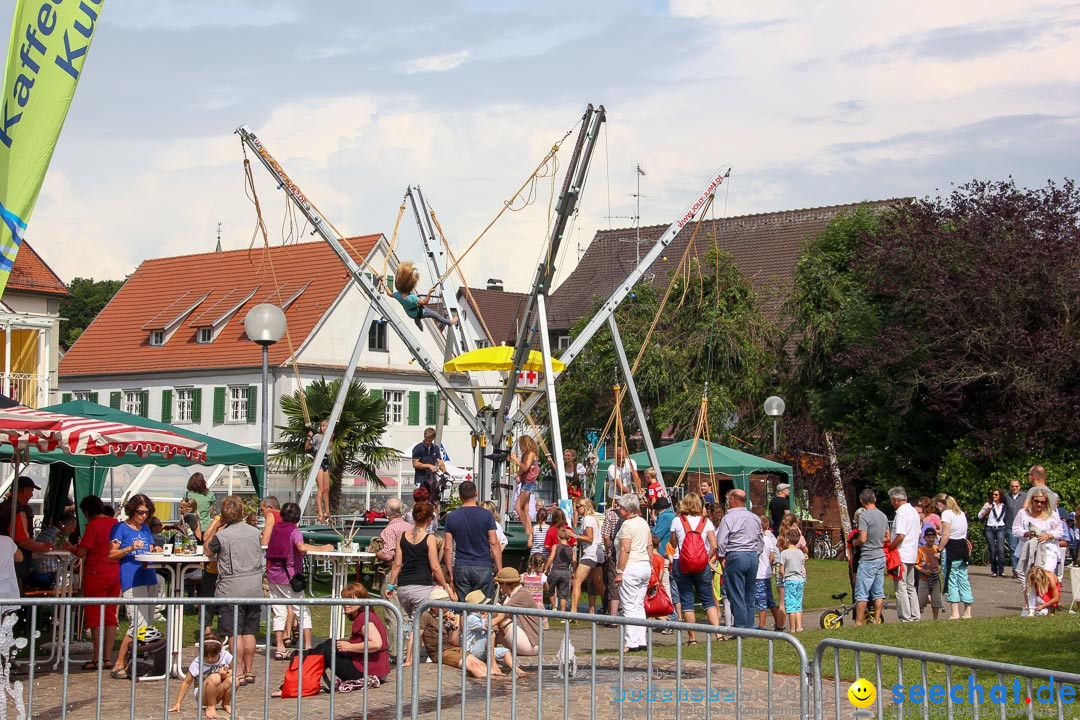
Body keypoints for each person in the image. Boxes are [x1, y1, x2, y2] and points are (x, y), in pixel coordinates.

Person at [385, 500, 454, 666]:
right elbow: (435, 567)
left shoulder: (402, 537)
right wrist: (446, 586)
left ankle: (410, 656)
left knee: (413, 621)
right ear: (430, 519)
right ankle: (409, 659)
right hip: (421, 587)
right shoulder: (430, 539)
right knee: (417, 623)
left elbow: (397, 564)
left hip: (403, 588)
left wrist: (390, 586)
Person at [204, 496, 263, 687]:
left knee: (234, 632)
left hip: (232, 587)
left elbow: (207, 551)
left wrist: (214, 526)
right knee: (249, 631)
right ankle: (249, 670)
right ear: (242, 513)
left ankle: (237, 671)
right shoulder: (255, 532)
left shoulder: (223, 536)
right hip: (253, 587)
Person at [266, 502, 333, 659]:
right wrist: (322, 548)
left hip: (272, 575)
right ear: (298, 517)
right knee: (302, 611)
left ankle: (280, 647)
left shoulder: (276, 529)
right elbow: (301, 547)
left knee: (279, 612)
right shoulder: (294, 531)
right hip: (289, 576)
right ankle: (308, 646)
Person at [108, 494, 160, 679]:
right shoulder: (120, 528)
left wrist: (156, 550)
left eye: (146, 512)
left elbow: (150, 549)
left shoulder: (146, 529)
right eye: (140, 512)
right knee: (137, 624)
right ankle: (119, 663)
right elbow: (111, 554)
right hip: (132, 578)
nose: (143, 516)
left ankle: (136, 662)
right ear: (132, 510)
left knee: (147, 624)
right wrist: (129, 548)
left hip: (149, 577)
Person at [310, 583, 390, 691]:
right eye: (344, 600)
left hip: (366, 671)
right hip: (375, 670)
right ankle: (307, 680)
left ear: (362, 602)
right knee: (330, 643)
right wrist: (349, 641)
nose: (345, 604)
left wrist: (349, 647)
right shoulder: (368, 615)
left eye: (350, 600)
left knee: (324, 649)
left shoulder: (363, 618)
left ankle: (303, 683)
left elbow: (376, 644)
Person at [71, 496, 119, 670]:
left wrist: (71, 548)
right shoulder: (115, 523)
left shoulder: (92, 526)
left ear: (86, 512)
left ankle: (97, 657)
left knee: (94, 616)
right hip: (114, 571)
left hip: (96, 572)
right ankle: (108, 657)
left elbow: (81, 552)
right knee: (110, 616)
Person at [672, 492, 722, 641]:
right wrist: (706, 558)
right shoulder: (706, 522)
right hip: (701, 563)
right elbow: (714, 545)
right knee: (708, 598)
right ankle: (718, 633)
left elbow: (673, 543)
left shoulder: (677, 521)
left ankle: (692, 638)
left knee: (686, 598)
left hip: (681, 561)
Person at [444, 481, 501, 601]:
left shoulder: (451, 517)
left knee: (464, 607)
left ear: (460, 496)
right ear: (476, 493)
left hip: (461, 566)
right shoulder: (487, 515)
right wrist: (500, 569)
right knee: (484, 607)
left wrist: (450, 571)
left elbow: (448, 547)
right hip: (483, 565)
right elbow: (494, 543)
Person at [716, 489, 762, 629]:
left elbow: (721, 541)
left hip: (736, 554)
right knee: (749, 592)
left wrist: (722, 556)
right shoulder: (755, 517)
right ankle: (749, 625)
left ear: (732, 500)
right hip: (752, 555)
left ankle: (741, 627)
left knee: (736, 593)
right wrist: (756, 553)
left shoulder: (728, 518)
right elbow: (760, 540)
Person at [418, 588, 489, 677]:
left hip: (451, 649)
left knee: (478, 662)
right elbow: (416, 637)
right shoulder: (426, 616)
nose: (447, 607)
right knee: (472, 665)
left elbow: (454, 642)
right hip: (440, 653)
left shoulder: (445, 617)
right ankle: (487, 685)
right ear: (434, 606)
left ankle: (492, 681)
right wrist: (410, 660)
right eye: (444, 605)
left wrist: (455, 625)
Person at [1011, 486, 1062, 610]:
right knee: (1028, 577)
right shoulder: (1023, 513)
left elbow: (1059, 532)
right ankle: (1030, 605)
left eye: (1042, 502)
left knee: (1041, 576)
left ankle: (1044, 604)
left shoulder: (1052, 515)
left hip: (1048, 550)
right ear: (1032, 500)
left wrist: (1048, 535)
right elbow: (1015, 530)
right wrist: (1026, 533)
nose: (1039, 504)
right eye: (1037, 501)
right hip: (1028, 549)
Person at [613, 494, 652, 652]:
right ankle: (641, 639)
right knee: (639, 604)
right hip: (644, 565)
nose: (619, 509)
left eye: (621, 507)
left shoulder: (627, 525)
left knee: (629, 605)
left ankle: (631, 642)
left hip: (631, 566)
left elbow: (625, 548)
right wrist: (651, 564)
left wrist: (620, 571)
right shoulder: (644, 523)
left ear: (628, 510)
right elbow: (649, 544)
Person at [169, 632, 233, 718]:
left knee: (234, 680)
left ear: (220, 650)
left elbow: (234, 671)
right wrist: (178, 703)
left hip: (218, 692)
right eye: (206, 656)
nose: (209, 659)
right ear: (200, 651)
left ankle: (226, 703)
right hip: (202, 695)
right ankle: (210, 706)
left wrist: (225, 675)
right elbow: (186, 683)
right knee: (215, 677)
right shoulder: (197, 663)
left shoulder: (226, 656)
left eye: (213, 656)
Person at [852, 489, 889, 626]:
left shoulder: (864, 517)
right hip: (880, 556)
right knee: (878, 591)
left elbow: (862, 539)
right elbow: (888, 537)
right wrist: (877, 540)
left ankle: (859, 622)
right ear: (875, 499)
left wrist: (854, 542)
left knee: (862, 591)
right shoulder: (883, 515)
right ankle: (876, 619)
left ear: (862, 501)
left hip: (868, 557)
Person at [385, 260, 458, 329]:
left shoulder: (398, 295)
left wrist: (384, 285)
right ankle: (449, 323)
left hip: (409, 313)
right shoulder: (412, 298)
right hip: (417, 312)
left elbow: (390, 294)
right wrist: (429, 293)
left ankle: (419, 324)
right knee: (434, 314)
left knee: (416, 315)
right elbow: (425, 302)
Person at [935, 493, 973, 619]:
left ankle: (955, 612)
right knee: (963, 579)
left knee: (951, 580)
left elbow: (946, 535)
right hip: (962, 548)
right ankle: (968, 612)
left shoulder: (946, 513)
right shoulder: (961, 513)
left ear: (940, 504)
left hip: (951, 549)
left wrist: (939, 550)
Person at [889, 487, 921, 622]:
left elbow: (900, 535)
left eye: (891, 500)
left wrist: (890, 547)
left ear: (896, 500)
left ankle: (905, 617)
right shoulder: (914, 512)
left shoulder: (901, 513)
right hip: (911, 554)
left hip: (901, 555)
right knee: (910, 587)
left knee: (901, 587)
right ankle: (915, 615)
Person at [571, 497, 605, 615]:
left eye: (578, 507)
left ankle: (573, 611)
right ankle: (608, 606)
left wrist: (574, 535)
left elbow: (589, 538)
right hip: (598, 552)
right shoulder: (592, 518)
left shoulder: (587, 519)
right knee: (598, 583)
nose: (576, 509)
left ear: (584, 507)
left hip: (591, 553)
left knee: (577, 580)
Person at [28, 511, 76, 589]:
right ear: (62, 525)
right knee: (75, 579)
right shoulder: (57, 536)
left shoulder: (47, 532)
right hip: (50, 575)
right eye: (71, 527)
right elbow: (68, 557)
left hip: (37, 571)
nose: (73, 530)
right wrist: (76, 551)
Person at [755, 514, 785, 632]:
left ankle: (762, 626)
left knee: (761, 600)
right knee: (769, 600)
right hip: (766, 572)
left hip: (758, 574)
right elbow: (772, 557)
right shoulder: (768, 540)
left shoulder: (758, 541)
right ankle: (778, 623)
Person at [508, 435, 539, 540]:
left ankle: (528, 530)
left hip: (529, 483)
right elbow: (523, 469)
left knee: (517, 507)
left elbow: (525, 467)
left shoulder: (531, 454)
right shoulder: (525, 454)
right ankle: (529, 530)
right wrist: (518, 475)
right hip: (526, 481)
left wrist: (515, 459)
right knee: (525, 509)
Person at [779, 528, 806, 632]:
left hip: (790, 580)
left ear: (787, 539)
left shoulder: (784, 553)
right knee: (798, 604)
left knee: (791, 605)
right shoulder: (800, 553)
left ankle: (792, 628)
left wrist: (784, 576)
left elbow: (781, 570)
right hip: (800, 580)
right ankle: (799, 626)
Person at [306, 420, 333, 523]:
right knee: (321, 489)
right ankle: (320, 514)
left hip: (326, 461)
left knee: (327, 489)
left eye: (326, 426)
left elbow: (330, 449)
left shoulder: (330, 437)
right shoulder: (317, 436)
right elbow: (307, 447)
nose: (324, 428)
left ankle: (327, 512)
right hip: (319, 462)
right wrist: (309, 437)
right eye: (322, 426)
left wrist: (331, 438)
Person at [411, 427, 447, 505]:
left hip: (432, 480)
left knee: (434, 501)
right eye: (426, 439)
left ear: (433, 439)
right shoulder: (418, 448)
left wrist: (444, 469)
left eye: (429, 440)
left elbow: (440, 461)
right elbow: (415, 464)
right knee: (420, 500)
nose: (427, 442)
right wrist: (429, 466)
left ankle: (434, 516)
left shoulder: (435, 448)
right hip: (420, 479)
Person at [544, 527, 575, 612]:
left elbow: (551, 558)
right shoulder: (571, 549)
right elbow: (574, 561)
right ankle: (563, 612)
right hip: (566, 572)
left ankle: (554, 607)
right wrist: (574, 572)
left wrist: (546, 568)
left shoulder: (555, 546)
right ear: (569, 538)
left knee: (551, 590)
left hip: (555, 571)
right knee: (563, 594)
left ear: (558, 537)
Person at [978, 488, 1007, 577]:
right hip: (990, 528)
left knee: (1001, 550)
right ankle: (994, 570)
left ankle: (1001, 570)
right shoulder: (988, 504)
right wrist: (987, 510)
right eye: (993, 494)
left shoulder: (1004, 505)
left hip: (1000, 528)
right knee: (992, 550)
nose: (994, 496)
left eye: (996, 494)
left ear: (1000, 496)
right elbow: (979, 516)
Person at [916, 527, 943, 620]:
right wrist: (923, 571)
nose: (931, 539)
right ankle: (917, 618)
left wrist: (939, 570)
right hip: (923, 578)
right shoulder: (920, 550)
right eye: (928, 537)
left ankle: (935, 619)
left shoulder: (937, 549)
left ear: (935, 538)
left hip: (935, 578)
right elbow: (916, 564)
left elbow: (942, 563)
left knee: (936, 600)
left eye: (933, 537)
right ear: (924, 538)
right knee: (921, 600)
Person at [1003, 479, 1026, 578]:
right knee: (1013, 548)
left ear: (1020, 486)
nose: (1014, 488)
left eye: (1016, 486)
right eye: (1012, 486)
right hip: (1010, 526)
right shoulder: (1006, 496)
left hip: (1023, 526)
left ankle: (1022, 569)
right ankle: (1015, 570)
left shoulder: (1025, 496)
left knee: (1023, 548)